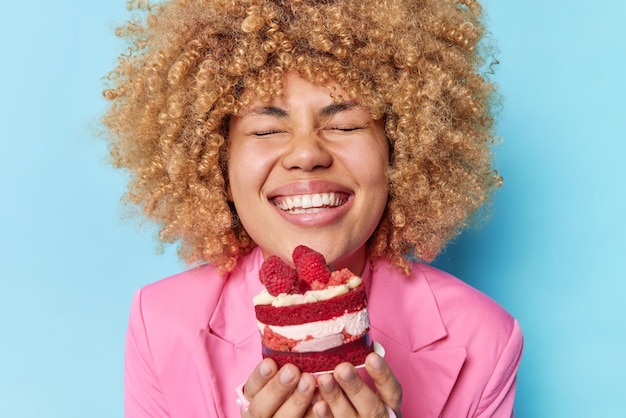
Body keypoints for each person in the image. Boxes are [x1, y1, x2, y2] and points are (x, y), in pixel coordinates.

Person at [102, 0, 523, 416]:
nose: (306, 154)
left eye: (345, 125)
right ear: (217, 163)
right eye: (266, 128)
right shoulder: (161, 324)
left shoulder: (486, 338)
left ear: (400, 151)